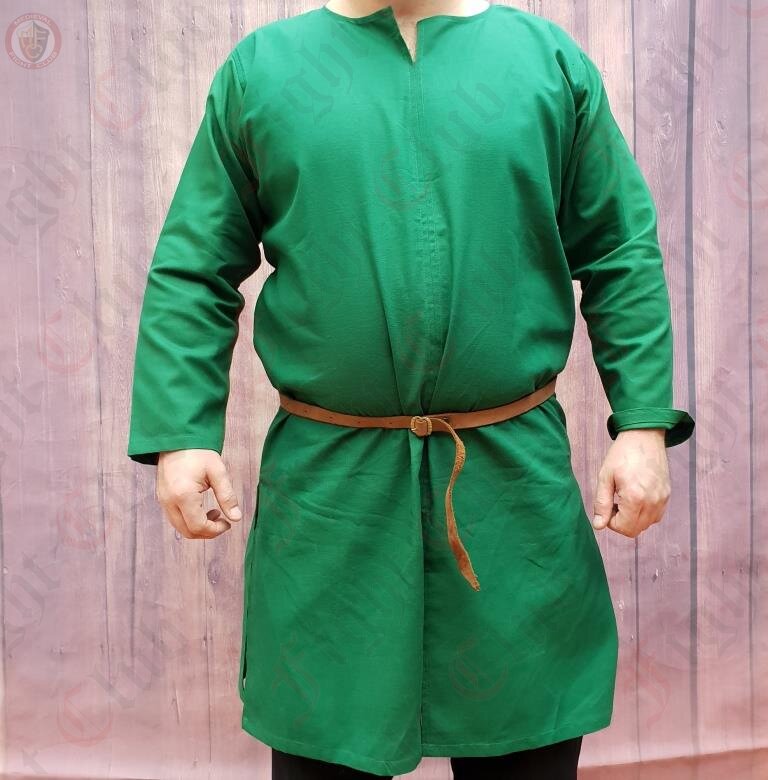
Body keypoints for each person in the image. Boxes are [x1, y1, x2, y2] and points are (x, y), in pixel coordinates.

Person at [126, 0, 695, 777]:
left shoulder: (549, 65)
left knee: (524, 747)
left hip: (512, 490)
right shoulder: (264, 72)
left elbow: (620, 250)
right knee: (327, 753)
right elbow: (195, 267)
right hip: (330, 492)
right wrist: (181, 432)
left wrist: (643, 424)